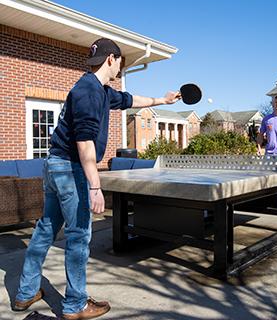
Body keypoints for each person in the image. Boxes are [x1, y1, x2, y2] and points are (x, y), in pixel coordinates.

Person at [13, 38, 180, 320]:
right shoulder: (88, 92)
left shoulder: (100, 89)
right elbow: (85, 144)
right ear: (111, 59)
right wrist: (94, 186)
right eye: (119, 63)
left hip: (54, 167)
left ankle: (26, 292)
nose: (119, 70)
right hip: (70, 168)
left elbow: (130, 100)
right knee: (79, 236)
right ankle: (75, 304)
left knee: (44, 231)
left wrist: (162, 100)